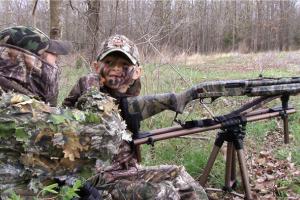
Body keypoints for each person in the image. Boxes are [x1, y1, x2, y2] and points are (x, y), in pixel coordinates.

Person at [63, 35, 208, 199]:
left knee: (183, 179)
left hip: (127, 172)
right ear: (96, 67)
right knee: (167, 193)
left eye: (124, 65)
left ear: (137, 72)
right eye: (109, 62)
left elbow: (128, 109)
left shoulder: (130, 93)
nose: (116, 68)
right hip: (99, 179)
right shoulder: (89, 86)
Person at [0, 26, 71, 106]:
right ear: (31, 63)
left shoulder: (9, 98)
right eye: (55, 59)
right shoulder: (26, 111)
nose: (56, 65)